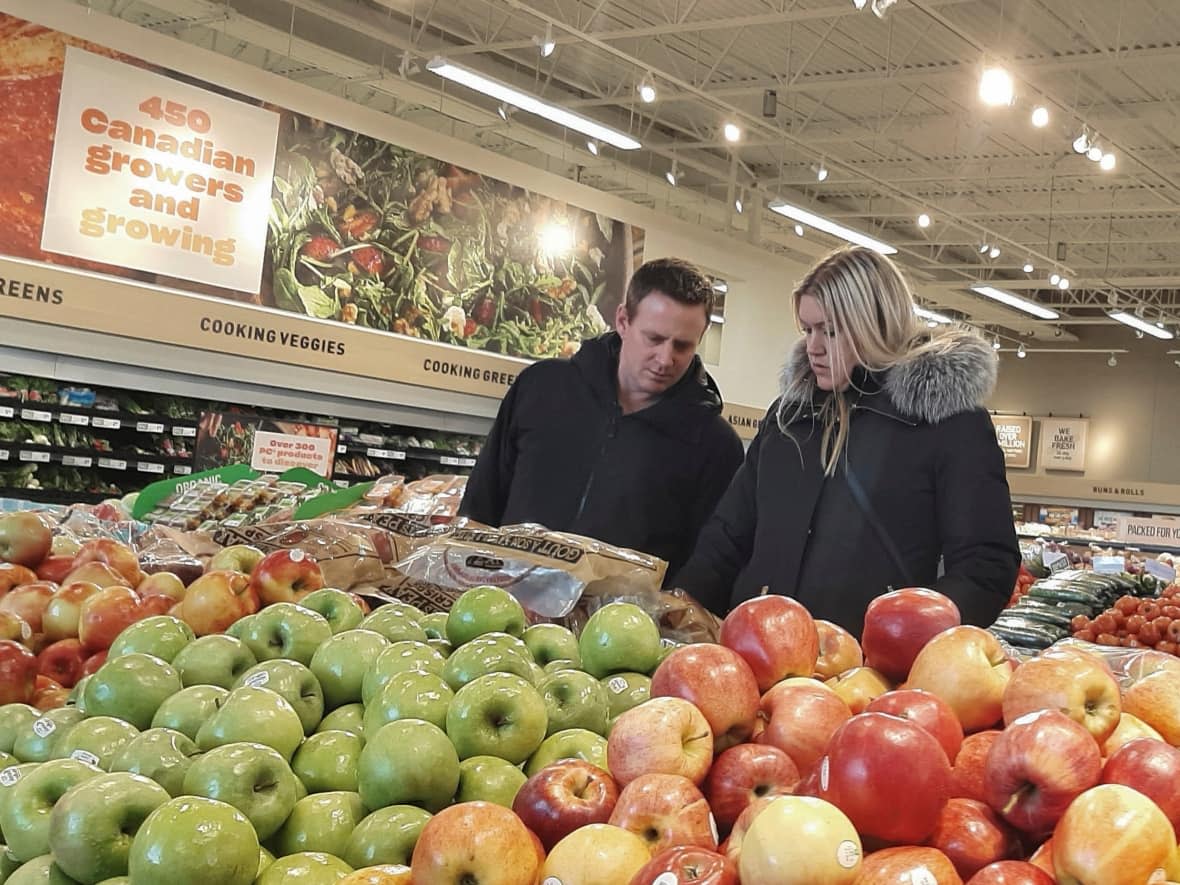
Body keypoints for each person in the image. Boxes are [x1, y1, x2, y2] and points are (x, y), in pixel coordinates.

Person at [673, 246, 1020, 637]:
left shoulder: (946, 423)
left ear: (874, 323)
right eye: (807, 329)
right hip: (759, 653)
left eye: (830, 330)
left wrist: (909, 635)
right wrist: (681, 604)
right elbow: (727, 537)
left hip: (870, 673)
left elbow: (986, 565)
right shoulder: (789, 417)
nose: (813, 347)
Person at [459, 257, 745, 577]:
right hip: (501, 609)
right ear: (623, 321)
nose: (665, 359)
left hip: (622, 623)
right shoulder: (541, 388)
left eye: (683, 345)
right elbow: (481, 503)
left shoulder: (714, 445)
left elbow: (704, 567)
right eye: (654, 338)